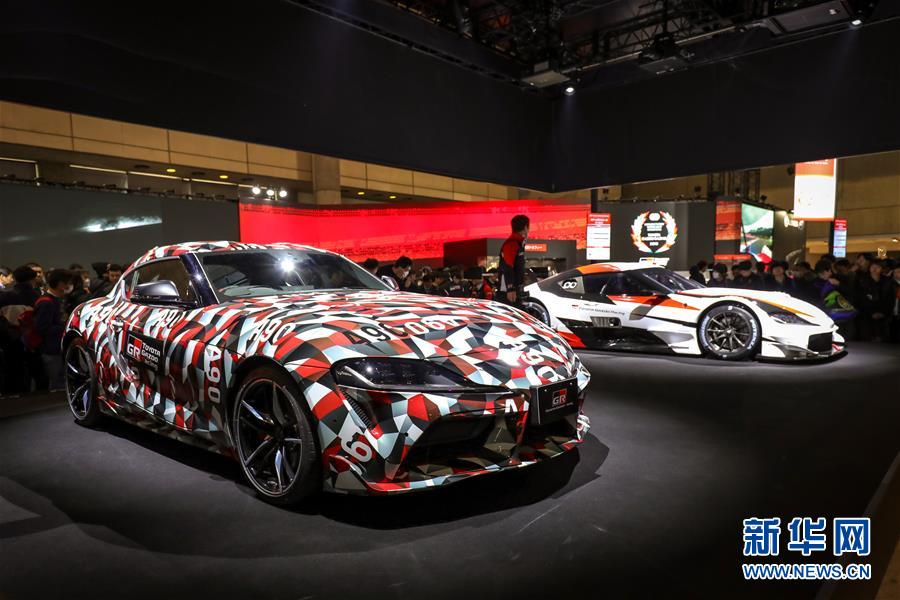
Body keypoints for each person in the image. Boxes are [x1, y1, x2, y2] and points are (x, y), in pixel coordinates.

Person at [34, 269, 75, 391]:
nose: (69, 286)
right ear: (61, 284)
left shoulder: (57, 300)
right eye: (68, 283)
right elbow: (42, 328)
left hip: (57, 349)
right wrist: (65, 327)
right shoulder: (46, 303)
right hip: (51, 350)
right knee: (56, 385)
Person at [857, 260, 892, 342]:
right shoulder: (862, 280)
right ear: (869, 268)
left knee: (883, 341)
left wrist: (883, 313)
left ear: (882, 269)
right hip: (866, 316)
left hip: (883, 316)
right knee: (867, 340)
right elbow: (860, 299)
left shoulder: (887, 282)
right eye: (873, 267)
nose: (875, 269)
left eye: (878, 267)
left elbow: (890, 299)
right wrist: (870, 313)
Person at [497, 214, 528, 306]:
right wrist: (510, 288)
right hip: (508, 291)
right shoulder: (512, 243)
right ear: (525, 227)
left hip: (513, 288)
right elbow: (508, 266)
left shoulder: (518, 243)